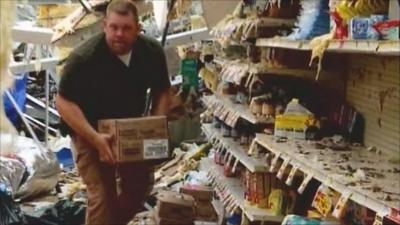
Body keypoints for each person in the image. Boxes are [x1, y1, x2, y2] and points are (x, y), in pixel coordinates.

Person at [55, 0, 170, 224]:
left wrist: (154, 129)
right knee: (102, 196)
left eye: (126, 28)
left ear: (138, 28)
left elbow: (163, 91)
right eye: (114, 27)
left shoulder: (151, 52)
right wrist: (96, 139)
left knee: (140, 185)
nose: (119, 34)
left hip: (129, 129)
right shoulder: (84, 58)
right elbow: (62, 102)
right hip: (88, 129)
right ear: (104, 26)